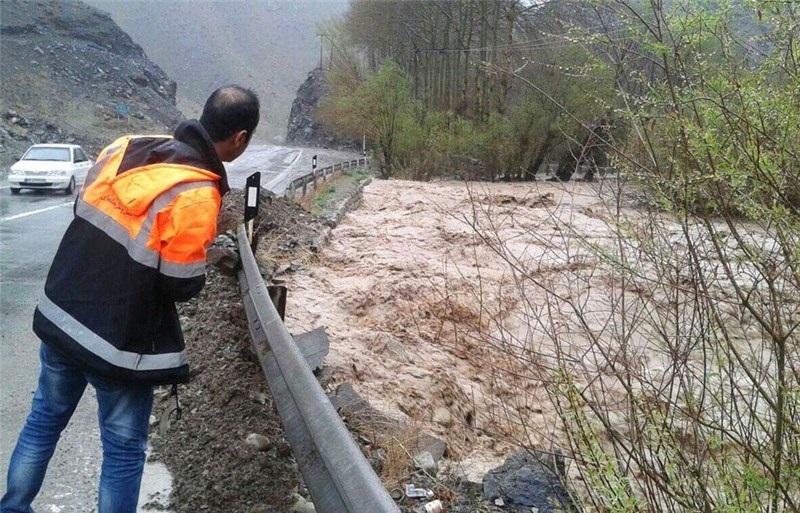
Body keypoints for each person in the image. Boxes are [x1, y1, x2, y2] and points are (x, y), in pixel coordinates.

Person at [1, 85, 260, 513]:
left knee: (43, 421)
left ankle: (12, 507)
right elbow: (182, 284)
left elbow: (88, 214)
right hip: (118, 344)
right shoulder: (197, 194)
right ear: (241, 139)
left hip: (63, 314)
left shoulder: (129, 146)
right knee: (122, 452)